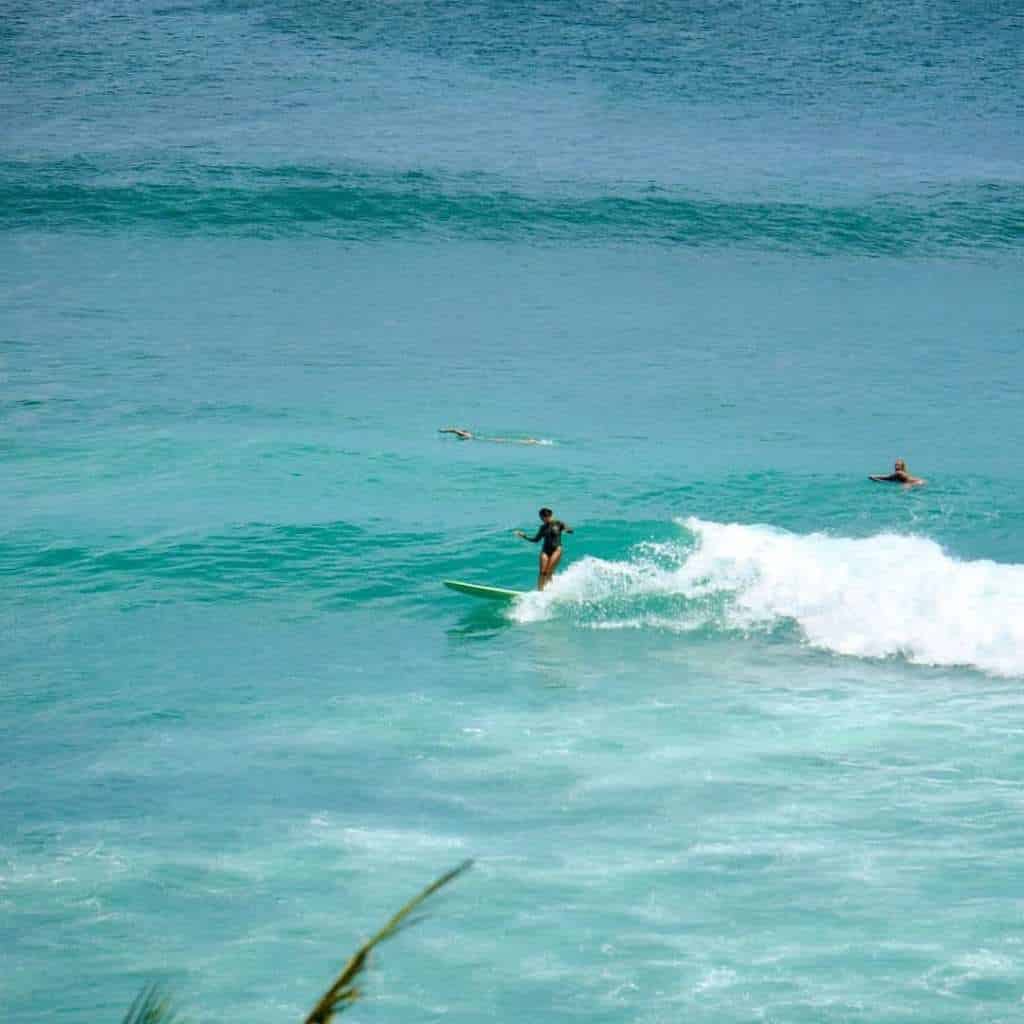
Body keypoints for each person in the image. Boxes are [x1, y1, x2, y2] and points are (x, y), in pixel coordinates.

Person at [516, 508, 573, 591]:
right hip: (545, 551)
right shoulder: (542, 527)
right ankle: (540, 591)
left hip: (556, 549)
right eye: (542, 518)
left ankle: (551, 590)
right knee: (542, 572)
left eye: (544, 517)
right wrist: (524, 536)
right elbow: (535, 540)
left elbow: (571, 531)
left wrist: (566, 530)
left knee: (549, 571)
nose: (543, 519)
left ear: (550, 516)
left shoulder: (559, 523)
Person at [439, 426, 545, 445]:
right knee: (505, 441)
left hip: (482, 439)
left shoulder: (468, 436)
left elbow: (454, 430)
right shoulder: (471, 436)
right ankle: (530, 442)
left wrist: (444, 431)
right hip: (483, 439)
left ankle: (529, 442)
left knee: (505, 441)